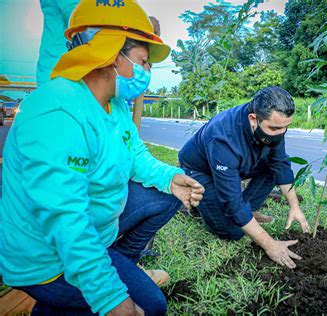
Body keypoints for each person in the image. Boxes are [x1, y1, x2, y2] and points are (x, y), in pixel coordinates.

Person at [0, 1, 204, 315]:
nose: (146, 72)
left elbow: (135, 154)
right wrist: (111, 298)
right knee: (151, 306)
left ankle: (115, 268)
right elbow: (67, 220)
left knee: (167, 197)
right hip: (46, 257)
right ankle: (67, 293)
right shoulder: (58, 112)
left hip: (92, 231)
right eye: (142, 61)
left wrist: (169, 178)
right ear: (110, 54)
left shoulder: (115, 104)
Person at [179, 86, 310, 269]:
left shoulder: (272, 125)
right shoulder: (223, 138)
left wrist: (294, 206)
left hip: (237, 164)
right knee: (232, 230)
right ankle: (191, 204)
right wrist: (270, 245)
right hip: (201, 170)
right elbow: (232, 202)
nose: (280, 133)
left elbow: (280, 163)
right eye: (274, 128)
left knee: (272, 170)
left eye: (285, 128)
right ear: (253, 119)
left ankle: (246, 212)